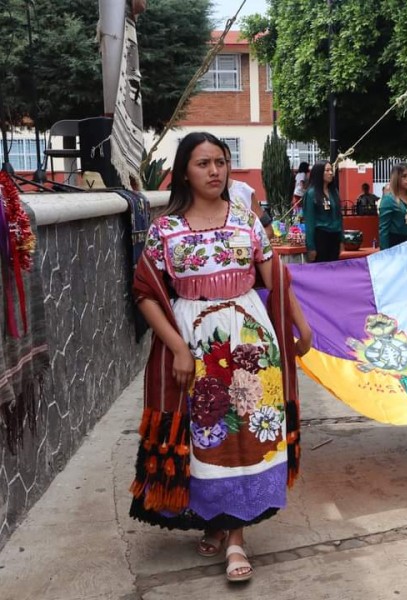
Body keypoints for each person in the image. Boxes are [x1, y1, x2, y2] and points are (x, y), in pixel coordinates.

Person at [130, 132, 313, 582]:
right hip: (194, 347)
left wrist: (302, 326)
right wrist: (176, 347)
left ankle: (236, 537)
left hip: (251, 345)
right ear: (184, 172)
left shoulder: (247, 222)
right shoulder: (164, 229)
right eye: (203, 163)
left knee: (246, 437)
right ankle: (214, 517)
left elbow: (276, 279)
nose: (215, 171)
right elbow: (145, 293)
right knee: (205, 437)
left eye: (221, 162)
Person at [303, 161, 344, 262]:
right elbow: (309, 221)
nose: (331, 173)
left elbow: (339, 217)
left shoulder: (334, 192)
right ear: (319, 173)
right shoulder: (311, 193)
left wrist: (342, 239)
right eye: (327, 170)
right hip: (321, 237)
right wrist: (311, 247)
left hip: (335, 236)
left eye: (331, 170)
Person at [378, 163, 407, 249]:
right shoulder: (388, 199)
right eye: (404, 176)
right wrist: (384, 254)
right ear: (396, 178)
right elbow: (383, 230)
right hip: (396, 244)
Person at [221, 141, 262, 219]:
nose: (224, 166)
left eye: (226, 161)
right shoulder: (196, 197)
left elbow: (264, 224)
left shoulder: (243, 190)